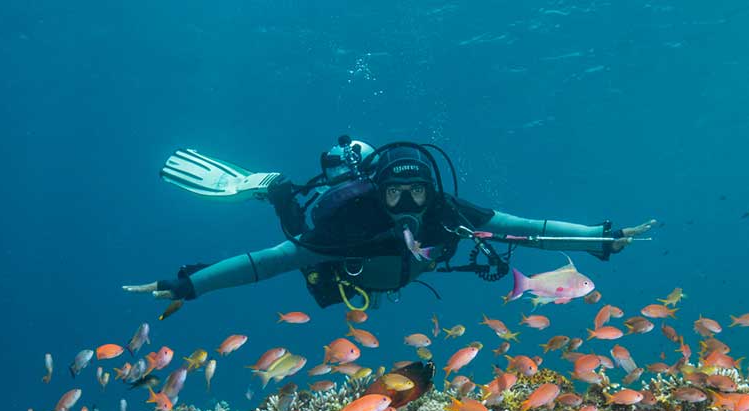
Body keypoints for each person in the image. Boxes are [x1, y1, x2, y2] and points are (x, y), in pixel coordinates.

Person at [123, 136, 655, 311]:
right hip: (348, 267)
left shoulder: (447, 212)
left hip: (391, 277)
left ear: (432, 191)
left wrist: (599, 240)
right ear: (378, 191)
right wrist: (191, 284)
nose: (406, 201)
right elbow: (270, 262)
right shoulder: (348, 218)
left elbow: (526, 227)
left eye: (416, 191)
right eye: (395, 191)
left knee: (372, 292)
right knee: (304, 248)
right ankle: (279, 191)